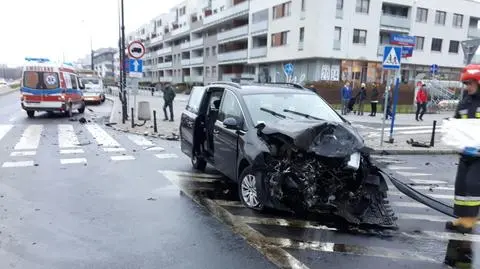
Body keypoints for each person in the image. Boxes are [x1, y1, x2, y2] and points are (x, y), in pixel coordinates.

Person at [445, 64, 480, 234]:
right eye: (466, 84)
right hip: (466, 153)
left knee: (472, 184)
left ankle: (470, 219)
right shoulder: (464, 102)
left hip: (479, 155)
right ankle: (460, 218)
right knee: (460, 186)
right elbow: (457, 123)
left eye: (471, 83)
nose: (468, 87)